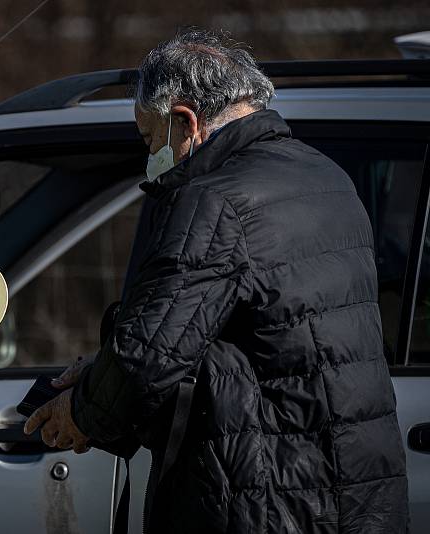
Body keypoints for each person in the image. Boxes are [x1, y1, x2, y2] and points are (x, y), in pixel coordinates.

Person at [25, 29, 409, 533]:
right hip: (358, 493)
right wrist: (103, 368)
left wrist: (81, 412)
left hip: (269, 496)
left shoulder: (214, 199)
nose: (149, 156)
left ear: (185, 122)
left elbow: (150, 356)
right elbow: (260, 336)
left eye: (148, 138)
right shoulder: (327, 177)